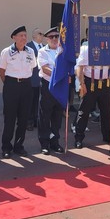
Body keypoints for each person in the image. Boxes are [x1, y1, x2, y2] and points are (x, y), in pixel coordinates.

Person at [0, 25, 36, 158]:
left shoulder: (30, 51)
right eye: (21, 35)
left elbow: (32, 68)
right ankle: (6, 147)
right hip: (11, 85)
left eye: (25, 35)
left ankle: (19, 146)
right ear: (14, 37)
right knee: (9, 118)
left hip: (26, 85)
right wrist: (10, 85)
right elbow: (2, 72)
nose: (24, 38)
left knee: (23, 118)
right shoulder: (6, 52)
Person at [74, 45, 110, 149]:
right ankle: (78, 138)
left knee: (106, 112)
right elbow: (80, 67)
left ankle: (107, 136)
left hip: (106, 82)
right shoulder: (86, 48)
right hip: (90, 82)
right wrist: (82, 84)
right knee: (84, 111)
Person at [36, 27, 65, 155]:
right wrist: (59, 75)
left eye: (56, 36)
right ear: (47, 39)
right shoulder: (42, 51)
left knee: (57, 115)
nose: (54, 39)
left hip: (60, 86)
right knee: (45, 115)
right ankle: (44, 143)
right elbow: (45, 68)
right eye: (51, 37)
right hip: (48, 85)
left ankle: (55, 142)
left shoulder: (63, 50)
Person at [27, 28, 44, 131]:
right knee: (30, 102)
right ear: (34, 36)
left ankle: (36, 120)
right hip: (32, 79)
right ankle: (29, 121)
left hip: (42, 80)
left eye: (42, 34)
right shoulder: (29, 47)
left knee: (39, 102)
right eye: (40, 33)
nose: (42, 36)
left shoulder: (44, 47)